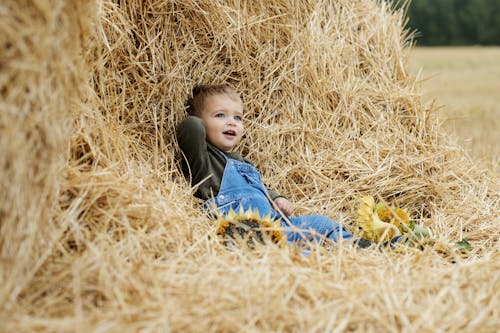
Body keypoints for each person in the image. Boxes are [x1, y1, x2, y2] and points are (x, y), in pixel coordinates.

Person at [176, 84, 368, 248]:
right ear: (202, 121)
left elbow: (261, 189)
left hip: (275, 227)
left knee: (321, 223)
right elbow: (191, 128)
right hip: (237, 227)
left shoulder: (243, 162)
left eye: (238, 118)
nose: (231, 122)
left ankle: (357, 247)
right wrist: (195, 116)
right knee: (273, 243)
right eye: (220, 115)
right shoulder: (205, 160)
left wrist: (276, 198)